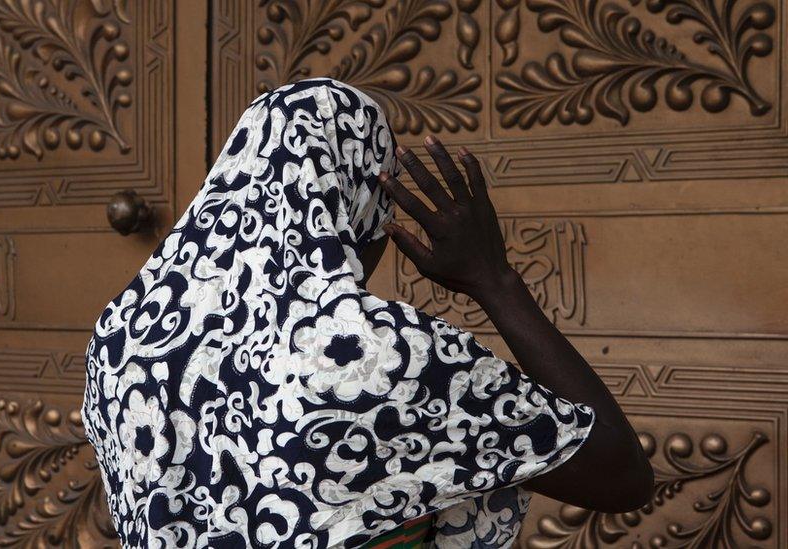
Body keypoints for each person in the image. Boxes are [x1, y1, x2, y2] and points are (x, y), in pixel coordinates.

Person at [81, 77, 653, 549]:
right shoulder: (368, 355)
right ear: (353, 204)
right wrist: (494, 280)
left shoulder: (119, 342)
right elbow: (620, 475)